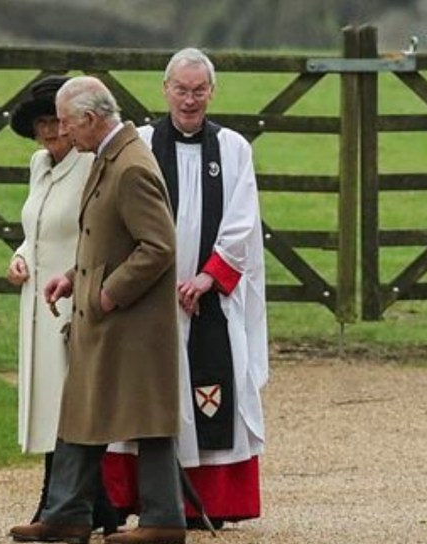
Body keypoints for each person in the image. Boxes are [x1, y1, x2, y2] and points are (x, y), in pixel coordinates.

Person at [9, 76, 187, 544]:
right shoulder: (106, 158)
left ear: (90, 119)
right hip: (101, 313)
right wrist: (72, 278)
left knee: (147, 417)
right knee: (82, 410)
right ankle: (67, 514)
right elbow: (103, 238)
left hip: (130, 320)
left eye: (67, 122)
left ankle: (163, 520)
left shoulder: (129, 166)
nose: (63, 132)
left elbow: (159, 245)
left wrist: (108, 293)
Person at [104, 47, 269, 529]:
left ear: (212, 92)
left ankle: (210, 503)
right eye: (181, 89)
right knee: (144, 394)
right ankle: (142, 500)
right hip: (152, 298)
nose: (190, 100)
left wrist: (208, 277)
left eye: (199, 90)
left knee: (212, 391)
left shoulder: (235, 148)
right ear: (165, 89)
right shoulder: (141, 142)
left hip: (207, 299)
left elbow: (243, 224)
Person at [6, 75, 119, 535]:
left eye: (57, 122)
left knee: (71, 406)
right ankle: (83, 505)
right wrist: (19, 256)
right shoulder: (39, 164)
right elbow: (36, 228)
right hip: (37, 301)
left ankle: (66, 504)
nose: (52, 133)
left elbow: (98, 232)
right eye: (42, 124)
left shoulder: (91, 164)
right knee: (50, 405)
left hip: (73, 297)